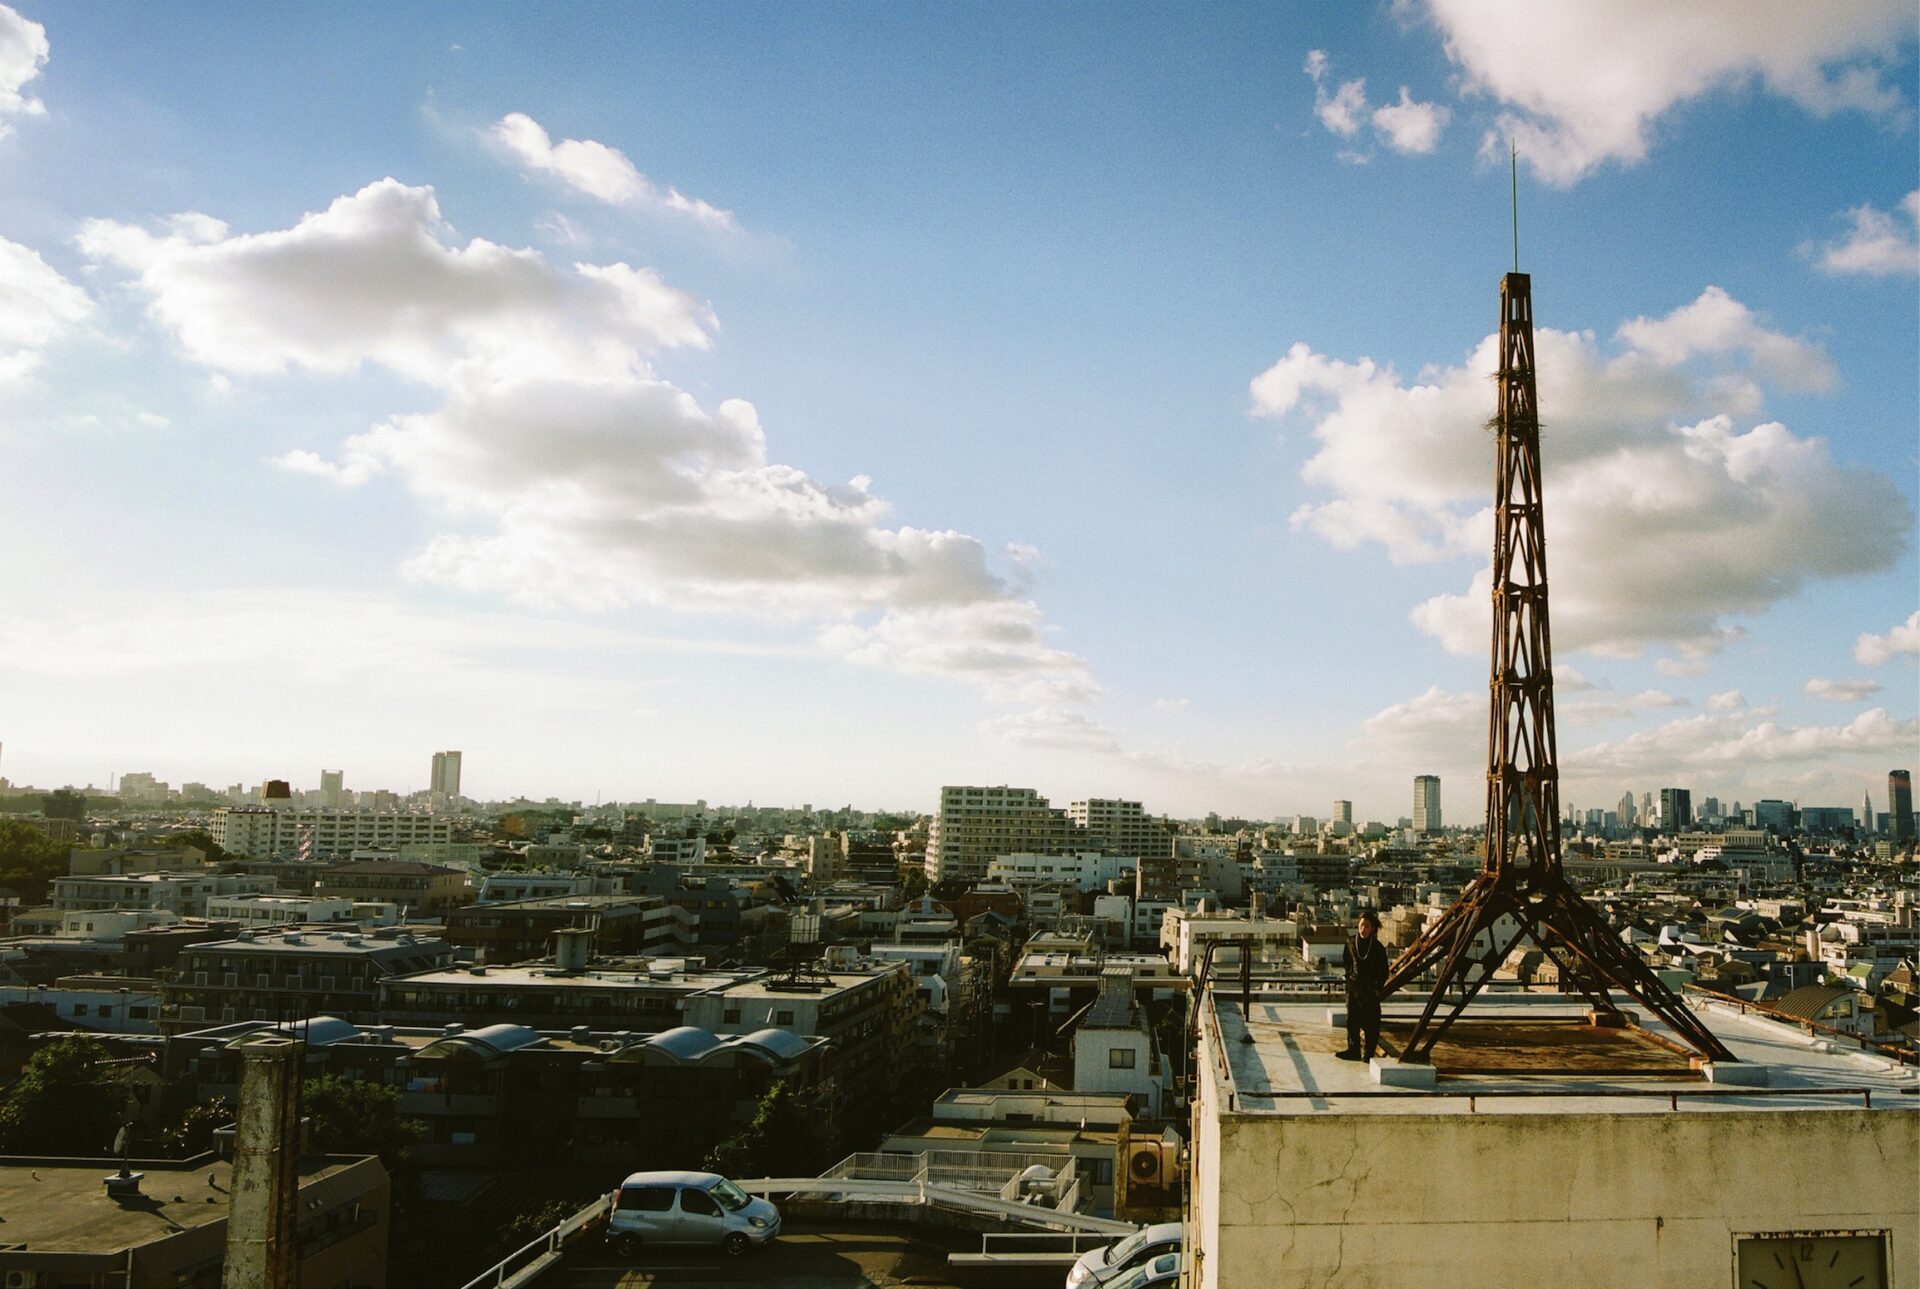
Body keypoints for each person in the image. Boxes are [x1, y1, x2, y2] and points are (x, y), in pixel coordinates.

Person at [1337, 911, 1389, 1061]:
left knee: (1371, 1022)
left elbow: (1383, 970)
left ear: (1372, 928)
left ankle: (1368, 1053)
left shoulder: (1378, 947)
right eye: (1361, 925)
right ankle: (1353, 1050)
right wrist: (1350, 979)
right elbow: (1346, 962)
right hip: (1353, 987)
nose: (1363, 929)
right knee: (1352, 1020)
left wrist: (1376, 988)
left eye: (1367, 926)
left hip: (1369, 989)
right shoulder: (1350, 942)